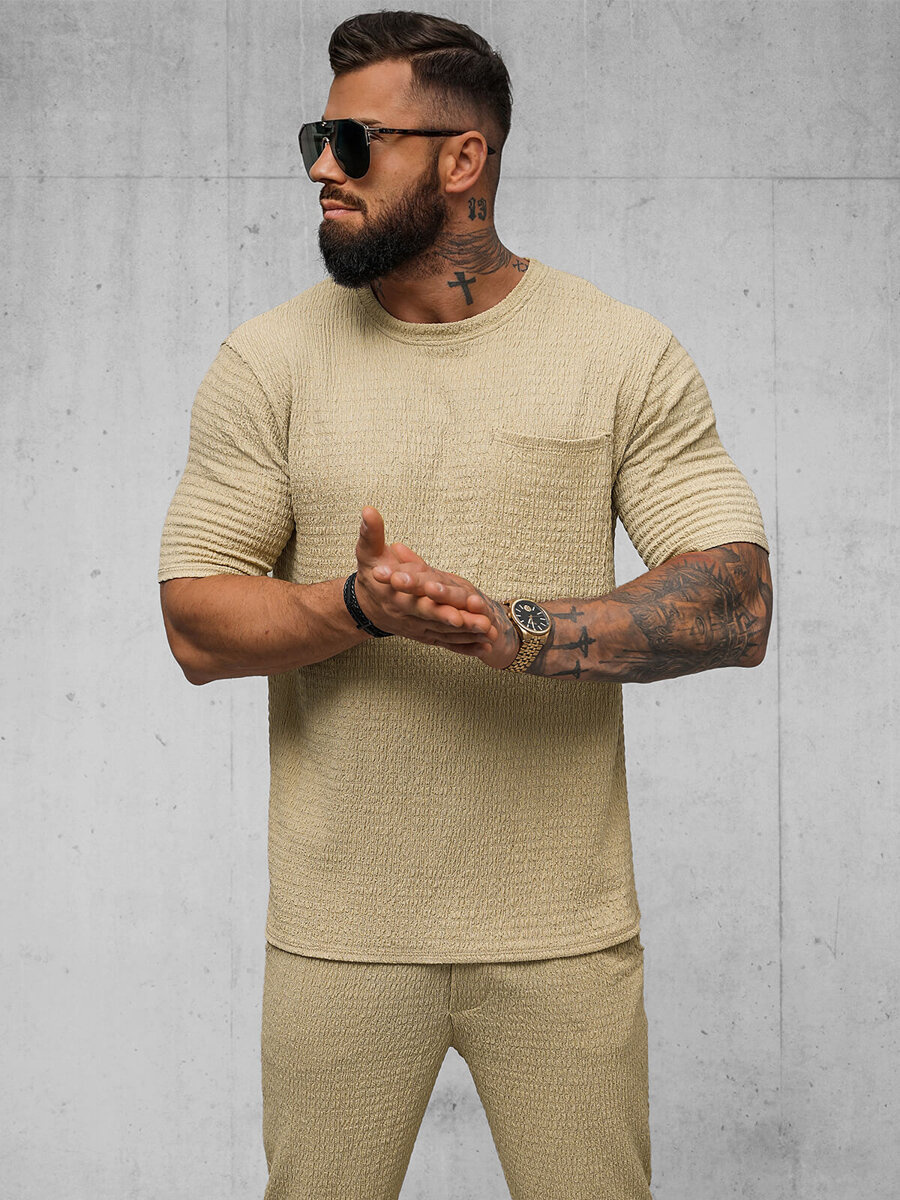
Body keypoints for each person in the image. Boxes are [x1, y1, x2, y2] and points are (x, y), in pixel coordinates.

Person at [157, 10, 773, 1200]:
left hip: (564, 937)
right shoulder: (267, 362)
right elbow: (194, 620)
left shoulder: (620, 352)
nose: (322, 168)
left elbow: (737, 598)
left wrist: (515, 631)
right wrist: (358, 606)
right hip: (339, 939)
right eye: (314, 139)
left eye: (353, 141)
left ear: (462, 158)